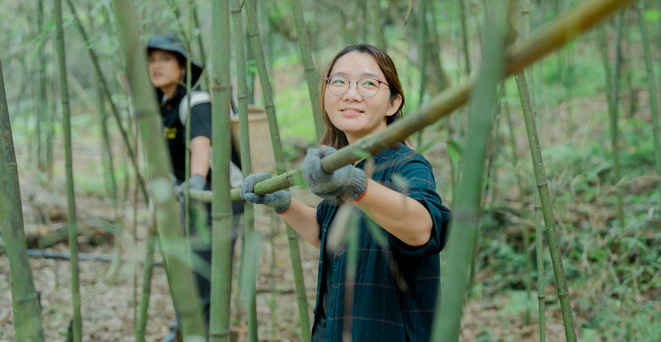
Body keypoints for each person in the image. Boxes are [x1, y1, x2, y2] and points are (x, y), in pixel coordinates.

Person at [241, 44, 451, 341]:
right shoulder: (344, 165)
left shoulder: (406, 165)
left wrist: (354, 185)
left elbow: (421, 229)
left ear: (393, 104)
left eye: (369, 84)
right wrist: (281, 203)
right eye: (339, 82)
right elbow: (325, 234)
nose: (351, 94)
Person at [146, 33, 243, 342]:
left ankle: (204, 334)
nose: (156, 66)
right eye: (151, 60)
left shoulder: (195, 100)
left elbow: (201, 145)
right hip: (190, 195)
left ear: (183, 67)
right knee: (185, 268)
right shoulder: (164, 106)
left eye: (165, 59)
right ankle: (186, 329)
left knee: (203, 273)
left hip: (216, 195)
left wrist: (197, 180)